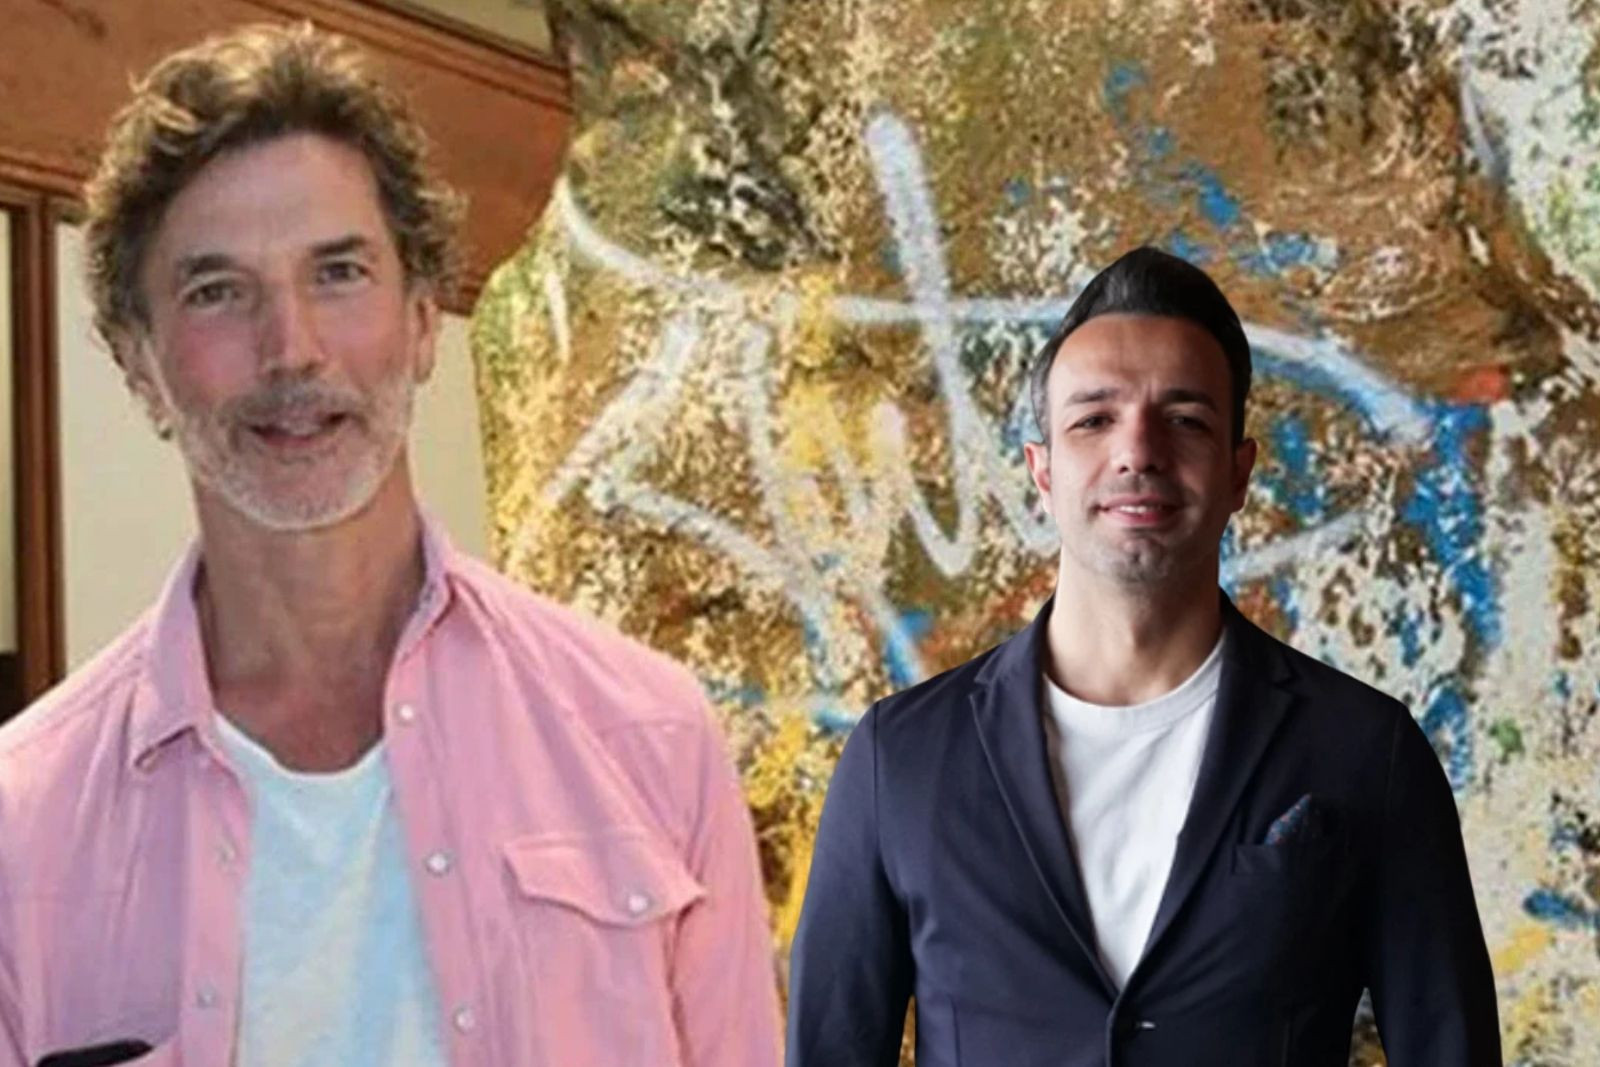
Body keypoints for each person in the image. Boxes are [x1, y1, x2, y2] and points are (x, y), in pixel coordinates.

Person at [0, 23, 778, 1067]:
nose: (292, 348)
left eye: (338, 272)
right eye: (218, 290)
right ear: (141, 363)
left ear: (420, 320)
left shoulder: (651, 738)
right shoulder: (23, 826)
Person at [786, 247, 1500, 1066]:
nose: (1138, 451)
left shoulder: (1366, 751)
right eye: (1094, 419)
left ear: (1238, 472)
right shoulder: (899, 757)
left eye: (1186, 419)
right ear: (1042, 470)